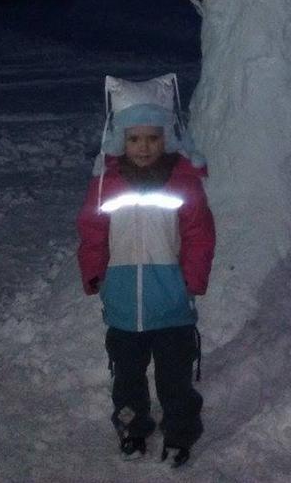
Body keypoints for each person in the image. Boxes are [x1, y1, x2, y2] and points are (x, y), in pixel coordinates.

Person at [77, 102, 215, 465]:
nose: (143, 146)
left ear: (165, 139)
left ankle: (180, 433)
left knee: (175, 379)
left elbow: (200, 234)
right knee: (127, 376)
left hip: (170, 301)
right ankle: (133, 428)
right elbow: (92, 232)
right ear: (121, 141)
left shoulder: (182, 180)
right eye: (134, 138)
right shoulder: (106, 183)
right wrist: (96, 274)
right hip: (123, 303)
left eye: (152, 138)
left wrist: (191, 280)